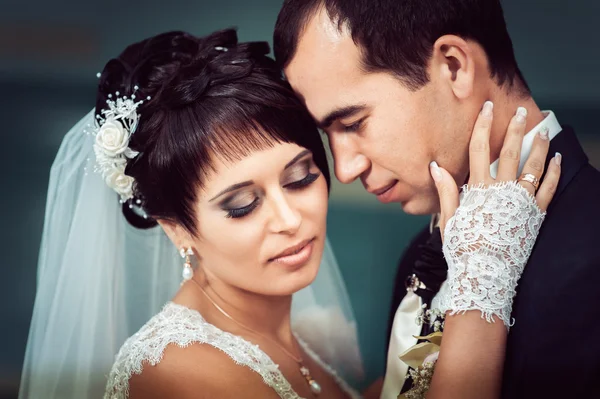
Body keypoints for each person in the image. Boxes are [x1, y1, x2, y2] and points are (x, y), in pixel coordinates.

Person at [20, 28, 559, 399]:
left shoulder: (316, 340)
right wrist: (483, 279)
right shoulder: (176, 372)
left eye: (300, 178)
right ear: (178, 227)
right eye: (241, 205)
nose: (289, 218)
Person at [274, 0, 600, 397]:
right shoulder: (419, 257)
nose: (344, 169)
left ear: (454, 66)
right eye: (328, 135)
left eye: (353, 123)